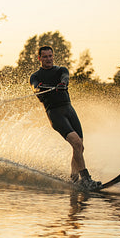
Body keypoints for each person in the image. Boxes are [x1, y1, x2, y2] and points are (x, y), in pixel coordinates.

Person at [30, 46, 101, 190]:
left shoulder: (61, 70)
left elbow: (65, 77)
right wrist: (42, 87)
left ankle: (74, 179)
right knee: (76, 142)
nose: (48, 59)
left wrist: (63, 84)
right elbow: (35, 87)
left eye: (50, 56)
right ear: (39, 58)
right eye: (45, 57)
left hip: (69, 109)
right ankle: (86, 179)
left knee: (79, 146)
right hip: (55, 114)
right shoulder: (35, 76)